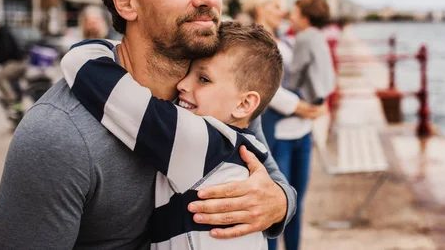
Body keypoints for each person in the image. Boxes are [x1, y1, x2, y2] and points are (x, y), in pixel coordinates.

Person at [0, 0, 295, 249]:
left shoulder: (220, 92)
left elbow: (265, 170)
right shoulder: (58, 136)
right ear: (125, 0)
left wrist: (280, 202)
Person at [60, 21, 285, 249]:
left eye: (203, 79)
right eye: (188, 71)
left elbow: (82, 67)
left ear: (245, 103)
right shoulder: (241, 146)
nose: (183, 84)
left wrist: (119, 47)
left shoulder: (198, 140)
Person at [275, 0, 336, 250]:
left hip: (297, 123)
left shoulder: (301, 39)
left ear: (306, 17)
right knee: (294, 204)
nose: (290, 16)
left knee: (285, 205)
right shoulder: (319, 37)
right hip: (294, 127)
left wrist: (290, 87)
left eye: (295, 13)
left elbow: (297, 72)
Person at [241, 0, 325, 153]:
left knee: (301, 180)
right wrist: (299, 107)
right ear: (260, 9)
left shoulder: (287, 42)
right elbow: (261, 86)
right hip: (277, 134)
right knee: (280, 179)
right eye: (277, 7)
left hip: (302, 129)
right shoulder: (251, 45)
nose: (282, 13)